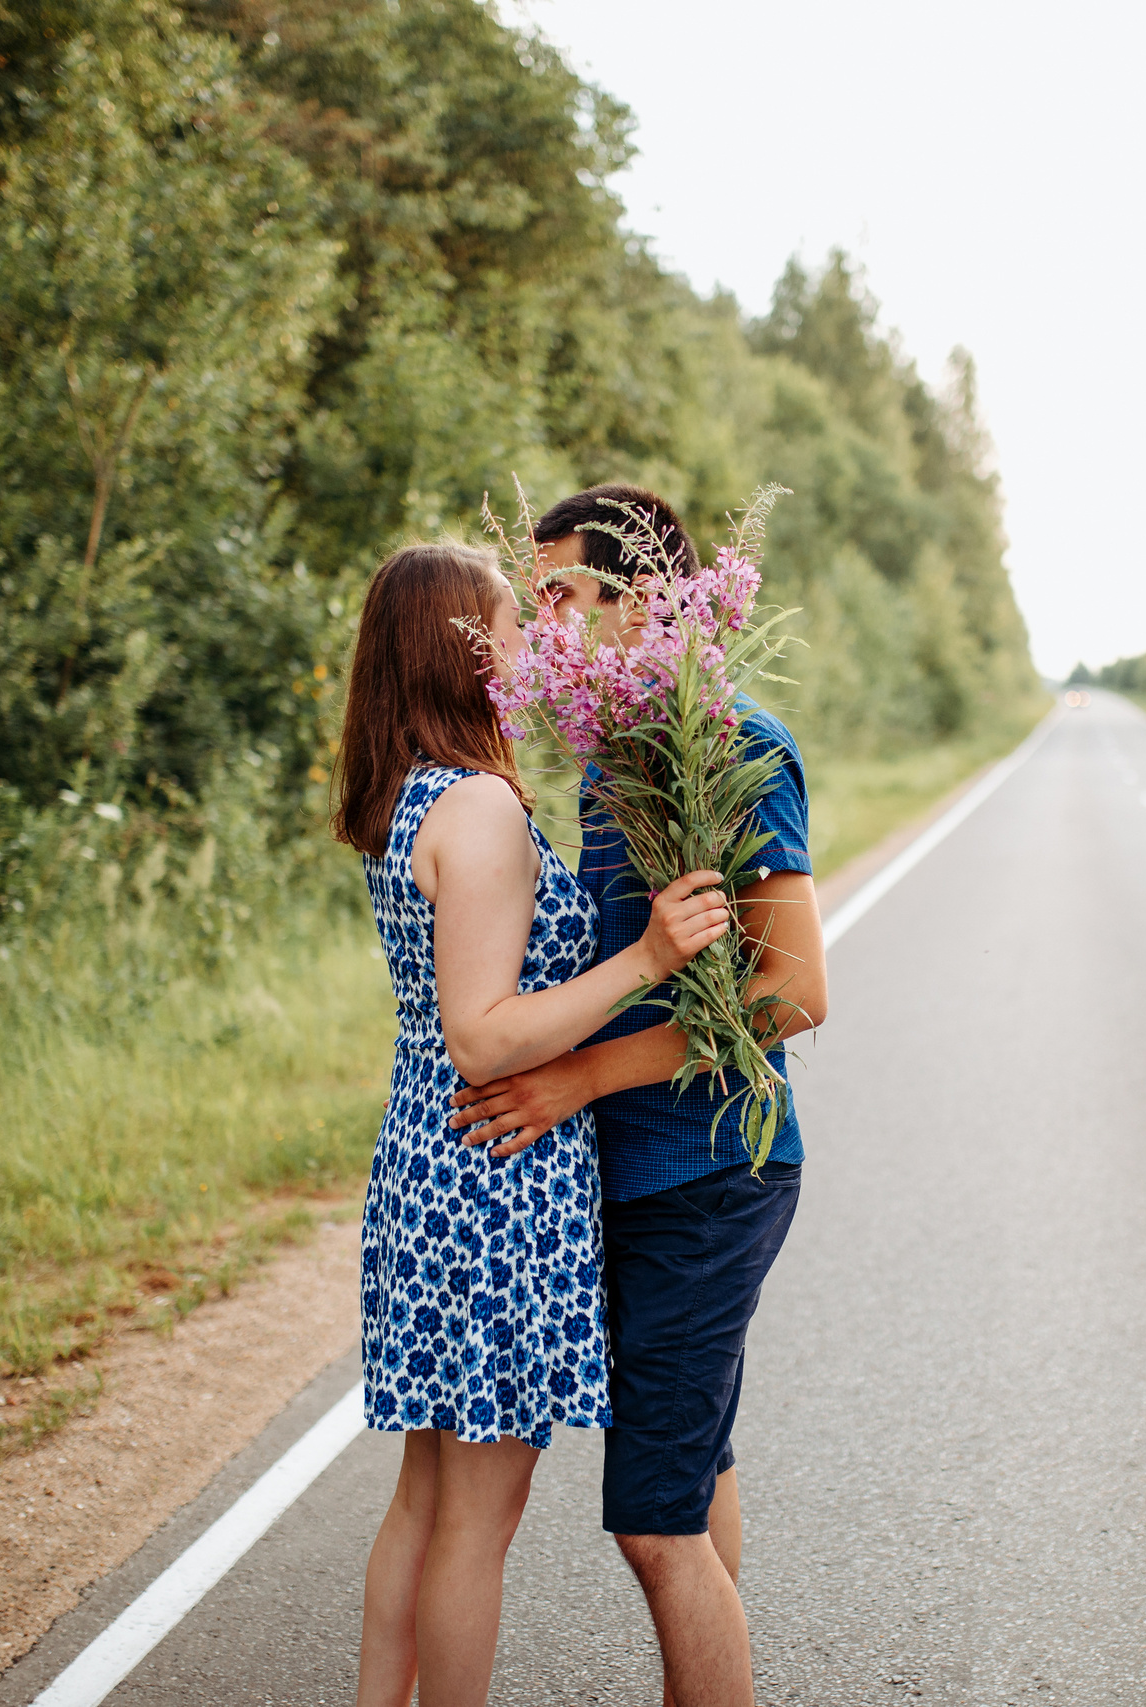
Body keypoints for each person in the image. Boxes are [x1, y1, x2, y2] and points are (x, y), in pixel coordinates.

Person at [333, 541, 735, 1707]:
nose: (528, 647)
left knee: (426, 1495)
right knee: (478, 1514)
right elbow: (486, 1032)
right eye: (511, 625)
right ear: (462, 650)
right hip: (495, 1177)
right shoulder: (480, 808)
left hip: (430, 1157)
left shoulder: (402, 794)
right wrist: (651, 957)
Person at [447, 485, 831, 1707]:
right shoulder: (618, 757)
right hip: (645, 1176)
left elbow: (794, 992)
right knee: (693, 1476)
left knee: (651, 1524)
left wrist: (578, 1079)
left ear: (649, 603)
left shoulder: (734, 746)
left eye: (558, 591)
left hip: (713, 1174)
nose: (541, 618)